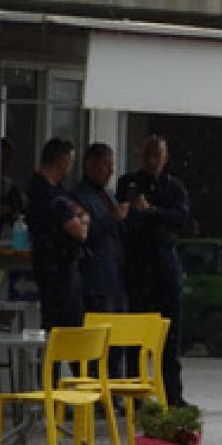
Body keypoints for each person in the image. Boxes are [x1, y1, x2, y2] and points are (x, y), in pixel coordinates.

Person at [119, 136, 192, 407]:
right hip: (139, 268)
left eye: (157, 156)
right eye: (148, 155)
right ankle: (135, 396)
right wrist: (145, 216)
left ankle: (173, 396)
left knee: (170, 337)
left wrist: (152, 212)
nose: (152, 161)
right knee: (137, 337)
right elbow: (126, 218)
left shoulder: (174, 187)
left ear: (165, 157)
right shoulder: (130, 183)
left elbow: (181, 218)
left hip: (166, 266)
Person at [74, 143, 129, 376]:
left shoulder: (108, 194)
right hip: (95, 277)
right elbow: (85, 234)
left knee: (118, 339)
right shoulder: (79, 196)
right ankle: (95, 387)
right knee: (97, 340)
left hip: (116, 277)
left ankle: (114, 388)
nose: (109, 171)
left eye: (111, 166)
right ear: (89, 165)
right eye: (105, 165)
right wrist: (111, 219)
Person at [26, 138, 88, 331]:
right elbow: (80, 232)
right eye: (70, 162)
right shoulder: (52, 196)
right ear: (62, 161)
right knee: (69, 327)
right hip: (60, 268)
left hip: (45, 263)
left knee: (52, 322)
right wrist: (85, 218)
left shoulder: (39, 188)